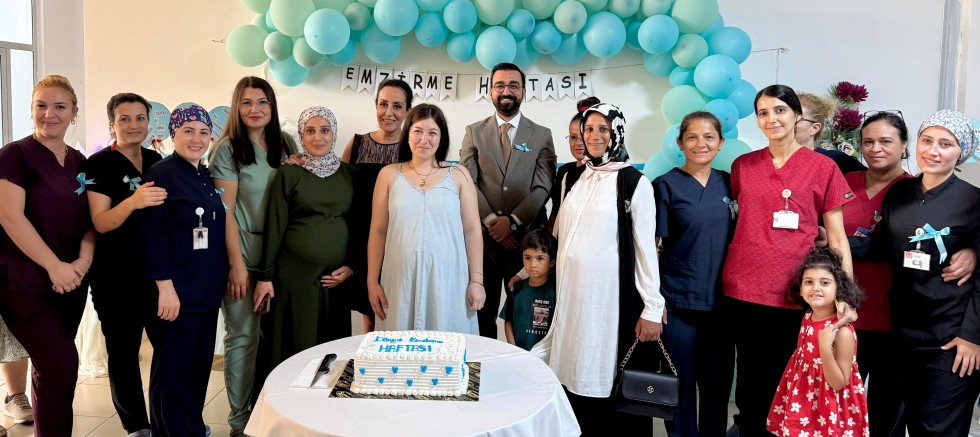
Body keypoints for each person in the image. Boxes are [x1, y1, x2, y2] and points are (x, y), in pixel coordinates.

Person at [721, 84, 857, 436]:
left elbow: (837, 238)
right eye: (763, 113)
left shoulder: (823, 168)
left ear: (797, 115)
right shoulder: (743, 166)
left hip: (795, 292)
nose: (772, 119)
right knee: (748, 380)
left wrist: (844, 296)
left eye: (780, 110)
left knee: (789, 379)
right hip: (743, 286)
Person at [533, 102, 665, 435]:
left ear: (617, 132)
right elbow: (559, 235)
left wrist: (652, 306)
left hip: (607, 301)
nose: (593, 136)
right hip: (570, 298)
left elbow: (645, 250)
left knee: (601, 370)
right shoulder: (575, 176)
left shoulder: (634, 183)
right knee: (570, 366)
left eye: (603, 129)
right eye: (588, 129)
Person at [850, 109, 980, 436]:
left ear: (961, 152)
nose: (933, 151)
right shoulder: (900, 193)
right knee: (898, 420)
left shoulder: (973, 201)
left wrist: (972, 337)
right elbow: (885, 247)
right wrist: (832, 241)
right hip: (902, 333)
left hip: (950, 337)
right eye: (927, 140)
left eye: (945, 144)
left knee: (937, 428)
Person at [0, 74, 95, 437]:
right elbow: (9, 216)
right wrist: (54, 266)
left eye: (59, 107)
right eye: (41, 105)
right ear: (31, 110)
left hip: (70, 282)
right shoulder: (15, 155)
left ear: (74, 113)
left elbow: (92, 219)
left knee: (51, 372)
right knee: (62, 365)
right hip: (24, 283)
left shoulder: (80, 161)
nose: (49, 114)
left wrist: (81, 264)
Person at [207, 76, 296, 436]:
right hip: (242, 256)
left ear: (272, 106)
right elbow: (225, 212)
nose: (254, 109)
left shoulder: (286, 143)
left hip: (280, 259)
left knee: (275, 339)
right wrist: (237, 265)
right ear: (236, 107)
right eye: (246, 102)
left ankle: (272, 412)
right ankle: (240, 421)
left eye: (262, 102)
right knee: (243, 337)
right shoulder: (227, 149)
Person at [251, 106, 360, 371]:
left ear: (334, 134)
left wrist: (352, 266)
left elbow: (359, 225)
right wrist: (265, 276)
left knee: (331, 353)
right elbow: (275, 225)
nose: (317, 137)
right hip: (295, 278)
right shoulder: (289, 173)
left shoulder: (350, 175)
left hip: (335, 280)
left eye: (324, 130)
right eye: (310, 131)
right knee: (295, 345)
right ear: (301, 135)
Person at [141, 105, 227, 437]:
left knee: (197, 370)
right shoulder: (162, 174)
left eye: (203, 132)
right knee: (173, 373)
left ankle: (192, 428)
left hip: (204, 291)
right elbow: (153, 234)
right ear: (173, 134)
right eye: (188, 131)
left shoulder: (202, 174)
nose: (196, 139)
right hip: (176, 293)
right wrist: (165, 288)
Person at [83, 92, 164, 437]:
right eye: (124, 119)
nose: (133, 125)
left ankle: (166, 417)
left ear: (149, 122)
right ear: (112, 124)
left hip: (156, 274)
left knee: (168, 347)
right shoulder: (99, 164)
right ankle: (137, 427)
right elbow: (100, 223)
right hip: (114, 277)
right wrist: (134, 201)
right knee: (124, 352)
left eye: (140, 118)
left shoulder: (156, 160)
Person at [368, 103, 485, 334]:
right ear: (407, 134)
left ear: (441, 139)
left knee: (448, 344)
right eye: (418, 131)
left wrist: (477, 280)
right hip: (399, 279)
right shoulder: (389, 175)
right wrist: (372, 281)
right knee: (400, 347)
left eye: (432, 133)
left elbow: (472, 229)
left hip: (449, 279)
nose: (424, 139)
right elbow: (378, 231)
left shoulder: (458, 175)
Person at [653, 111, 734, 437]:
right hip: (678, 302)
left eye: (709, 137)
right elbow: (651, 249)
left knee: (716, 386)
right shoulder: (665, 186)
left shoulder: (731, 184)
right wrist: (654, 301)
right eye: (692, 137)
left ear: (721, 142)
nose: (701, 144)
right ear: (680, 143)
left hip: (722, 304)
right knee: (678, 385)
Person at [460, 62, 556, 339]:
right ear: (490, 91)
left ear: (523, 91)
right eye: (500, 85)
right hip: (484, 243)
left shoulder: (542, 134)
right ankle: (483, 363)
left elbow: (543, 186)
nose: (506, 91)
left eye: (513, 85)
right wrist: (493, 222)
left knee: (525, 317)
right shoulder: (473, 132)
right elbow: (467, 183)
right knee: (481, 314)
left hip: (526, 244)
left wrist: (512, 222)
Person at [767, 246, 869, 437]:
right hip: (803, 399)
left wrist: (825, 348)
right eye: (809, 282)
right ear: (800, 289)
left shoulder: (842, 332)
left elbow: (839, 383)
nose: (815, 288)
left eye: (825, 282)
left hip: (830, 407)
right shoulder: (808, 317)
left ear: (839, 288)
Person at [340, 78, 413, 333]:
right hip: (362, 241)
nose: (388, 112)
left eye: (397, 106)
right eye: (383, 104)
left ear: (407, 112)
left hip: (399, 241)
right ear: (376, 106)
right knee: (370, 315)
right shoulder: (357, 143)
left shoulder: (414, 147)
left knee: (400, 312)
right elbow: (337, 186)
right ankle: (370, 358)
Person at [499, 228, 556, 351]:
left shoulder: (554, 292)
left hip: (544, 356)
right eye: (528, 258)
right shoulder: (516, 289)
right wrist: (514, 349)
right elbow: (508, 321)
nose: (533, 264)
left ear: (551, 262)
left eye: (540, 258)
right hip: (518, 354)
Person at [547, 96, 597, 230]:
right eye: (573, 137)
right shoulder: (564, 171)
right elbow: (556, 211)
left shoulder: (602, 173)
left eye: (583, 137)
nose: (578, 143)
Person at [796, 92, 866, 174]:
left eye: (796, 119)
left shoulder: (836, 159)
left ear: (815, 128)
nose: (786, 123)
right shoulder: (781, 160)